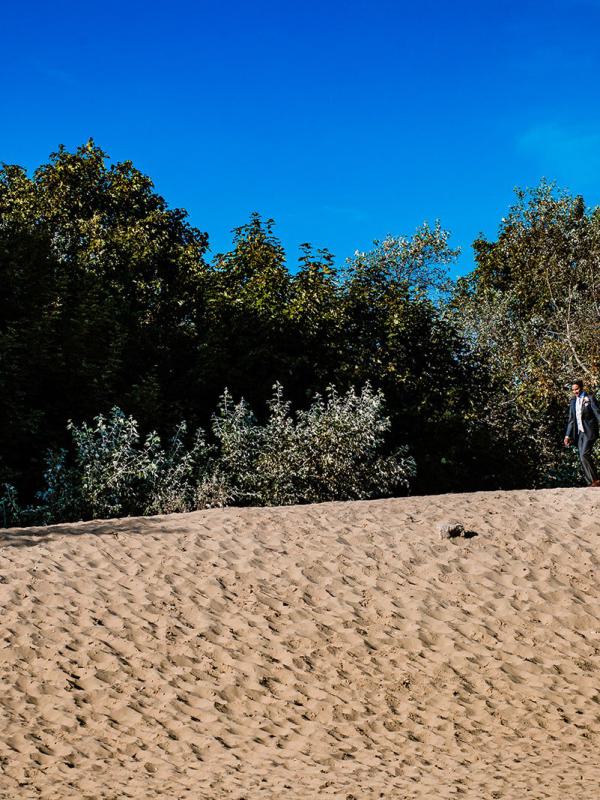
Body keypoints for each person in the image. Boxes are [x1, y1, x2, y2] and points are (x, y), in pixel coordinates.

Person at [564, 380, 600, 487]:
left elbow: (598, 414)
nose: (575, 391)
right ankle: (592, 482)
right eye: (573, 390)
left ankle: (595, 480)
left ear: (581, 388)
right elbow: (571, 420)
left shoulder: (590, 398)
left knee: (584, 453)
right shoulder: (573, 401)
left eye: (577, 389)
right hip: (580, 433)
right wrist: (567, 435)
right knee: (582, 456)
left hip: (590, 431)